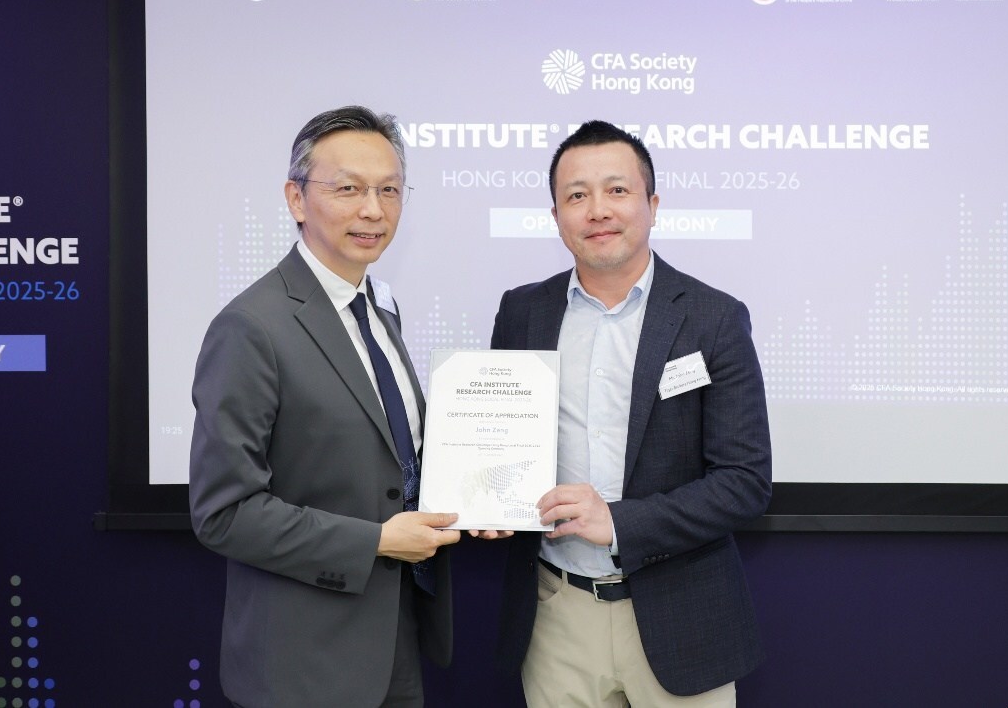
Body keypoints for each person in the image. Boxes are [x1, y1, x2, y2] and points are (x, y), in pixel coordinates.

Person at [488, 120, 772, 706]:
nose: (597, 210)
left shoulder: (713, 318)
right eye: (576, 195)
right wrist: (487, 497)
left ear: (652, 204)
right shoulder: (522, 313)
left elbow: (744, 483)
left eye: (617, 190)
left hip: (682, 614)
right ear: (556, 215)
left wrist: (620, 523)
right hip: (555, 613)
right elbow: (501, 442)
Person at [189, 105, 461, 708]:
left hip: (395, 642)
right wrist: (376, 542)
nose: (374, 210)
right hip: (304, 667)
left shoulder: (380, 311)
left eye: (390, 190)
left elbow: (392, 466)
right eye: (349, 189)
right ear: (296, 198)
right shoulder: (251, 327)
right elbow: (224, 513)